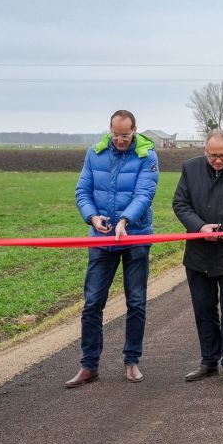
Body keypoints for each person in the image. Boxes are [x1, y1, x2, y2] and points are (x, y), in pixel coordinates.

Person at [67, 110, 158, 388]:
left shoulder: (147, 156)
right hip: (101, 239)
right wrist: (92, 217)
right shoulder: (95, 153)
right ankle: (89, 365)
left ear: (134, 130)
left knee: (136, 301)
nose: (120, 140)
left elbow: (145, 193)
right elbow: (82, 190)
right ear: (110, 129)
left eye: (125, 135)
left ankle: (131, 361)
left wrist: (125, 221)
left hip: (135, 237)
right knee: (93, 302)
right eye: (116, 134)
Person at [172, 130, 223, 385]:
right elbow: (181, 204)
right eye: (212, 155)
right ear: (204, 152)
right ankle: (208, 360)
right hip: (199, 254)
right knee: (203, 308)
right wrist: (199, 227)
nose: (217, 160)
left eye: (222, 155)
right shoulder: (190, 169)